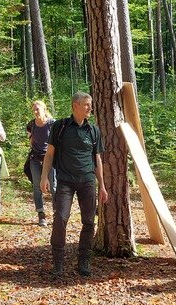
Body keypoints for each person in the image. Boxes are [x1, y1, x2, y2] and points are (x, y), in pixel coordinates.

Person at [41, 92, 108, 277]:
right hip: (65, 181)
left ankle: (84, 260)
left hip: (87, 182)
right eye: (86, 104)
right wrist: (44, 177)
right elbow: (49, 154)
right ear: (75, 106)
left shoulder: (93, 130)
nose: (90, 108)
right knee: (60, 218)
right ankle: (58, 261)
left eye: (91, 104)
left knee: (88, 221)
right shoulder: (60, 127)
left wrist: (101, 185)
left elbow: (97, 159)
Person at [26, 100, 56, 226]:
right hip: (35, 159)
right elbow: (31, 140)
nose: (36, 111)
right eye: (34, 109)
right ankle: (41, 214)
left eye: (38, 109)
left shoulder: (52, 123)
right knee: (37, 187)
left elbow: (57, 141)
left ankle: (57, 214)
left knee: (54, 186)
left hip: (50, 159)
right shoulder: (31, 124)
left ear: (44, 109)